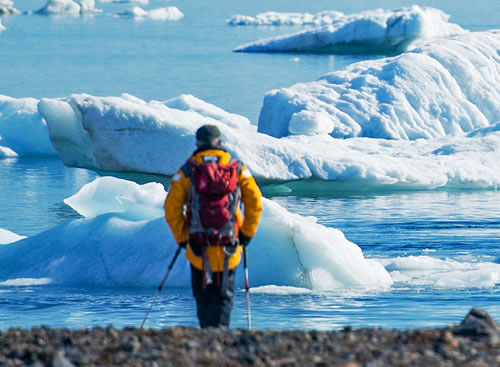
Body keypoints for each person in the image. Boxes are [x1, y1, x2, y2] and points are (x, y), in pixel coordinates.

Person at [164, 124, 263, 328]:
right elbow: (255, 201)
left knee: (203, 296)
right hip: (229, 243)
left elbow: (171, 207)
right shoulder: (237, 169)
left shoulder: (187, 171)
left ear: (197, 143)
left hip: (198, 246)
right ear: (219, 143)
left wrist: (183, 237)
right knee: (223, 297)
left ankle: (206, 337)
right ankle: (220, 337)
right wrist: (246, 233)